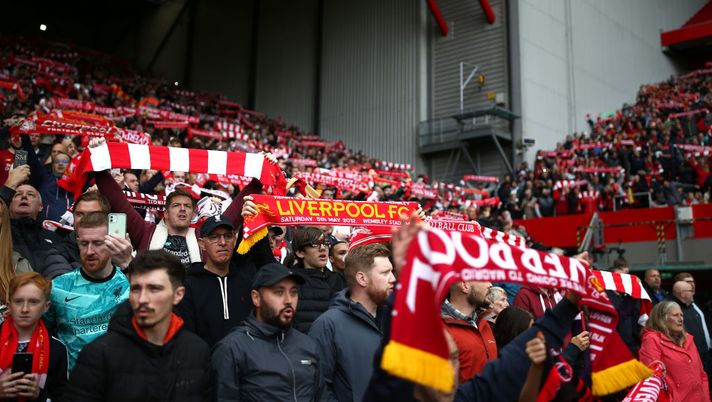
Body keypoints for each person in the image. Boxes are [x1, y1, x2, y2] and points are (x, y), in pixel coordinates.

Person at [65, 250, 212, 401]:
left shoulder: (197, 351)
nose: (142, 299)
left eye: (154, 289)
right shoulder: (99, 354)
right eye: (136, 289)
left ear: (178, 295)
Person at [212, 262, 322, 401]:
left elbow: (321, 395)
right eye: (279, 292)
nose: (288, 300)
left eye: (293, 292)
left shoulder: (307, 344)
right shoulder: (233, 349)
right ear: (256, 298)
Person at [309, 243, 395, 402]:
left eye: (392, 271)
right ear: (362, 278)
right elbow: (319, 388)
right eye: (385, 273)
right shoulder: (328, 325)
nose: (393, 279)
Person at [44, 212, 130, 371]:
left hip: (120, 381)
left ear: (112, 242)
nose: (90, 251)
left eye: (98, 243)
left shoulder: (129, 282)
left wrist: (130, 265)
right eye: (84, 243)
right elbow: (42, 334)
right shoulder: (57, 287)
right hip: (75, 385)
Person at [177, 214, 271, 346]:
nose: (222, 242)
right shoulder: (188, 285)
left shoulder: (247, 283)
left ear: (234, 240)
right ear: (202, 244)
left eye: (228, 236)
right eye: (214, 237)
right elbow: (186, 337)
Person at [0, 272, 67, 402]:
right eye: (18, 301)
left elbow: (62, 396)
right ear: (9, 305)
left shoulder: (57, 349)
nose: (25, 309)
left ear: (46, 307)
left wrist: (40, 396)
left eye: (33, 302)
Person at [639, 300, 710, 402]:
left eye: (681, 315)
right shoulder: (652, 339)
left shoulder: (688, 339)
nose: (680, 319)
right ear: (662, 319)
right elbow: (651, 380)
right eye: (675, 315)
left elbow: (702, 375)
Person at [6, 183, 76, 278]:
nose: (24, 197)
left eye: (30, 194)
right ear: (9, 204)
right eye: (18, 194)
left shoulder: (56, 236)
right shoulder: (3, 234)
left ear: (41, 206)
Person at [288, 226, 346, 333]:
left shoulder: (340, 279)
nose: (323, 248)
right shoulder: (291, 281)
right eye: (315, 244)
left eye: (325, 243)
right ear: (300, 252)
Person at [441, 280, 497, 383]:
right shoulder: (440, 329)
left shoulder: (484, 323)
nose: (490, 284)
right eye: (483, 278)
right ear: (465, 285)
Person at [670, 280, 711, 376]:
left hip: (705, 356)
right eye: (690, 291)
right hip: (688, 358)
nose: (693, 293)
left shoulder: (693, 306)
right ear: (682, 294)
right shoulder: (673, 309)